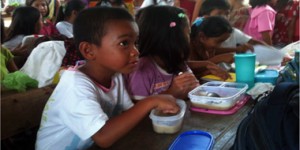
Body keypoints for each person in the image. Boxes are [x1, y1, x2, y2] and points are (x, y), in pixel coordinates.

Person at [35, 7, 179, 149]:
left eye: (136, 43)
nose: (136, 52)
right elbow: (103, 137)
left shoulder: (115, 76)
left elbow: (127, 113)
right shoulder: (75, 86)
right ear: (89, 51)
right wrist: (151, 101)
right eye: (124, 43)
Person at [125, 6, 199, 101]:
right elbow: (136, 109)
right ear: (173, 39)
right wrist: (172, 92)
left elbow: (192, 89)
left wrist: (191, 86)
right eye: (188, 33)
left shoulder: (178, 62)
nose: (190, 39)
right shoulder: (142, 69)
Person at [198, 0, 266, 54]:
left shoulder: (232, 31)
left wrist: (273, 51)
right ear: (206, 16)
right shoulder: (201, 33)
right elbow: (211, 51)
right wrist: (236, 49)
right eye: (219, 13)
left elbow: (253, 42)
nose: (224, 17)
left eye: (227, 14)